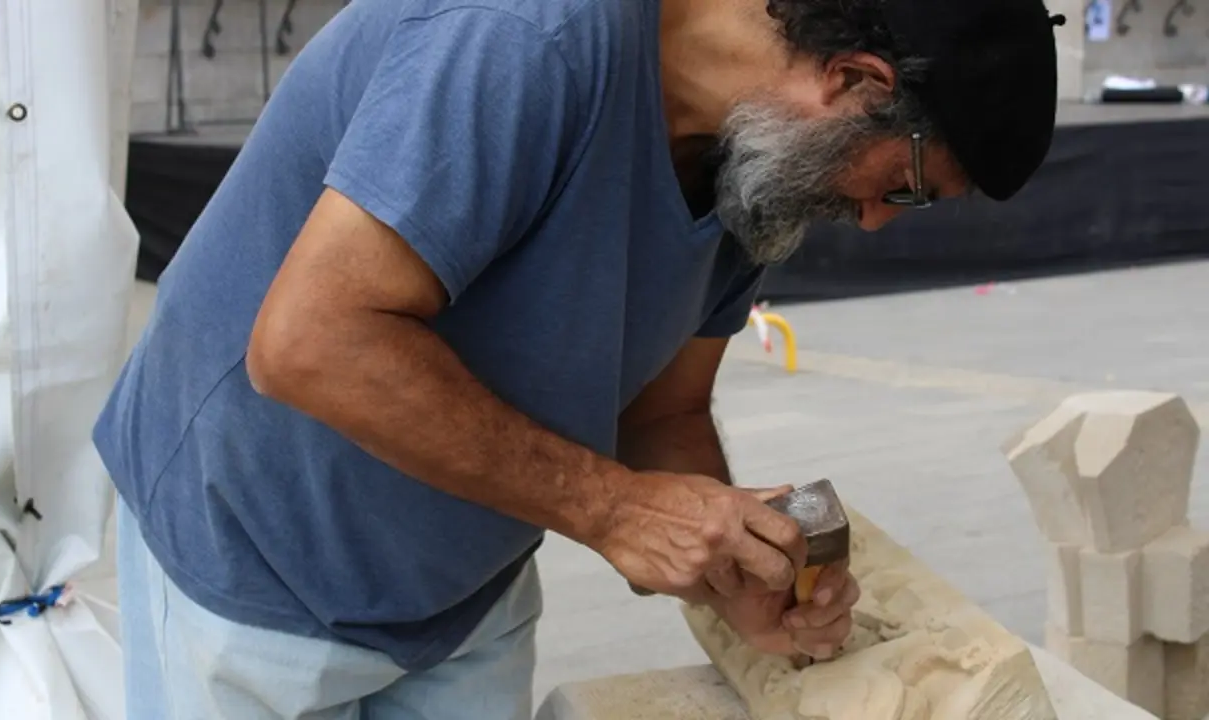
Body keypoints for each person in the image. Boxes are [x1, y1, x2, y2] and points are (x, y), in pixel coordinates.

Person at [94, 0, 1062, 717]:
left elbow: (662, 417)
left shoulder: (757, 164)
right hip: (258, 554)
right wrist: (611, 509)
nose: (872, 218)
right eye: (905, 186)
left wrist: (740, 586)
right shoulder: (528, 37)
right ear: (853, 83)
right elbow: (310, 341)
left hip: (462, 584)